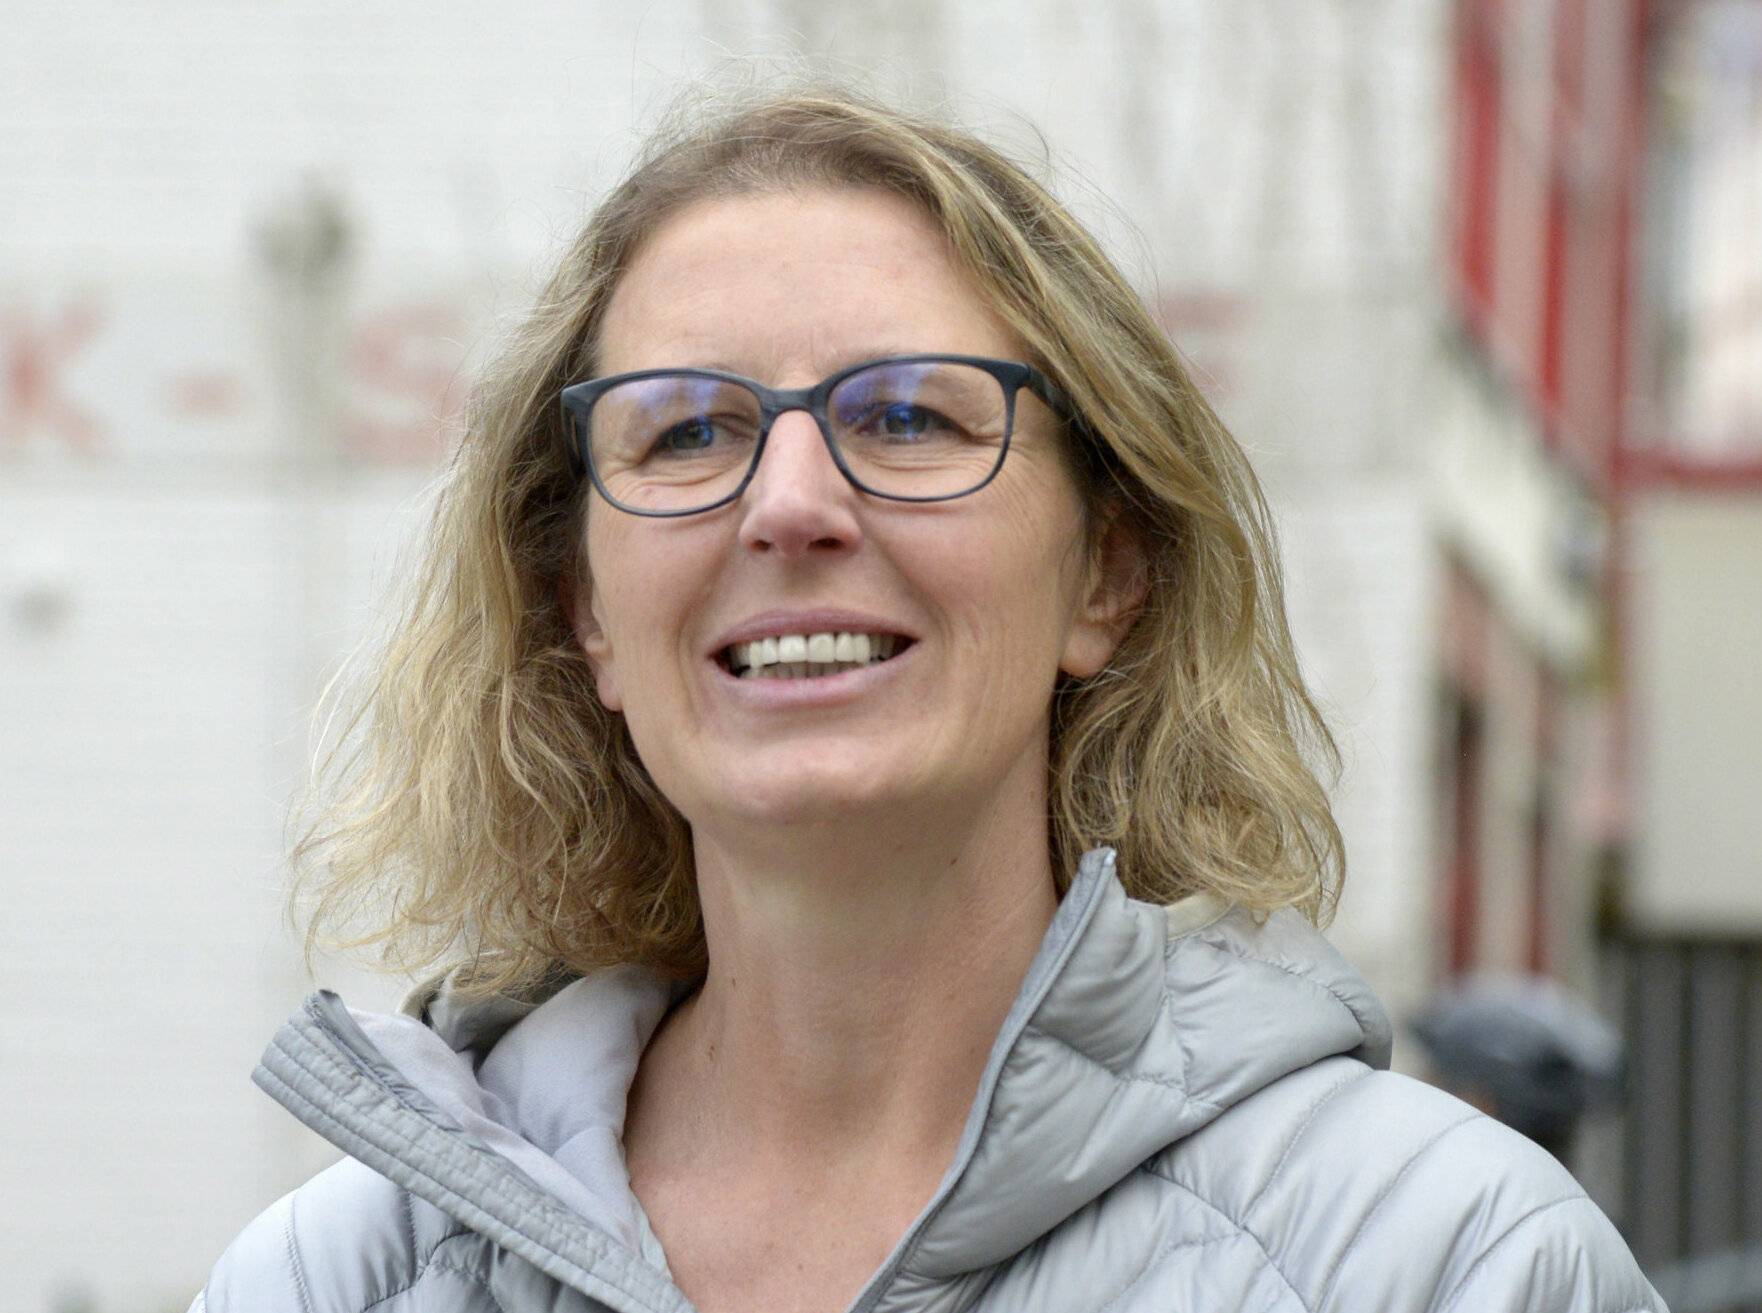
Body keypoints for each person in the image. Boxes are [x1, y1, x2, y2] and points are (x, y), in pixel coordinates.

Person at [191, 87, 1664, 1312]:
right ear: (587, 612)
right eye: (686, 432)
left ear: (1106, 572)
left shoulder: (1441, 1264)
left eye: (905, 416)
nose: (787, 504)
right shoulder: (332, 1284)